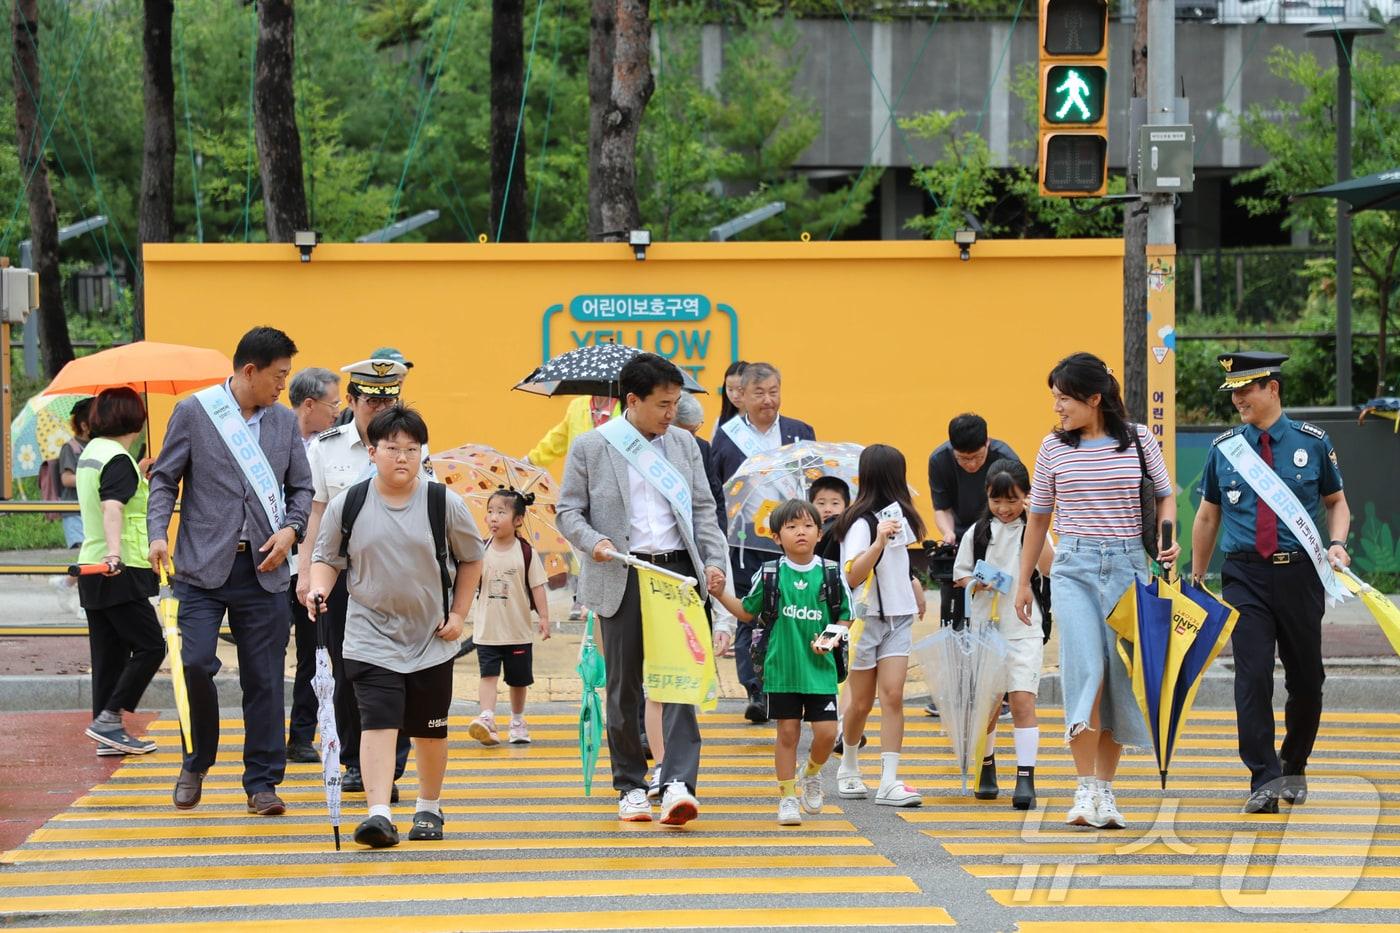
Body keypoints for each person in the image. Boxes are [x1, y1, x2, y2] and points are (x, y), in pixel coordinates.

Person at [147, 326, 313, 816]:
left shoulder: (284, 423)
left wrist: (291, 530)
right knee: (194, 663)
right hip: (200, 567)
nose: (283, 386)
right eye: (278, 376)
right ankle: (196, 760)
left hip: (264, 568)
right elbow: (164, 479)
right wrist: (158, 531)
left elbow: (301, 489)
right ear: (249, 371)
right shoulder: (195, 412)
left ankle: (262, 783)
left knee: (264, 678)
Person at [557, 352, 729, 826]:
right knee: (624, 687)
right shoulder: (593, 447)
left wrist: (713, 564)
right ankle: (630, 785)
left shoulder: (685, 446)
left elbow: (702, 511)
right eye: (663, 404)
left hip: (676, 573)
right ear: (632, 401)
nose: (672, 413)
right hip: (622, 572)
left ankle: (677, 782)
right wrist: (595, 543)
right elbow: (567, 511)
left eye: (675, 403)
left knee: (680, 679)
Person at [1014, 351, 1178, 831]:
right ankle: (1084, 786)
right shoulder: (1052, 448)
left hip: (1130, 565)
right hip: (1074, 567)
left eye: (1064, 399)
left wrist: (1169, 536)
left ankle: (1104, 792)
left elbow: (1164, 495)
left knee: (1118, 676)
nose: (1057, 408)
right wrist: (1025, 580)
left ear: (1095, 398)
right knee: (1086, 667)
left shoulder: (1140, 441)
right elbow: (1039, 517)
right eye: (1055, 399)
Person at [308, 406, 485, 848]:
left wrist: (459, 615)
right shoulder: (348, 503)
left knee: (429, 729)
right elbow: (327, 558)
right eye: (392, 448)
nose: (402, 457)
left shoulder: (443, 502)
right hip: (369, 634)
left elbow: (471, 559)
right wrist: (319, 590)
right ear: (372, 452)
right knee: (378, 722)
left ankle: (428, 805)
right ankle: (378, 813)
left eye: (411, 449)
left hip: (430, 637)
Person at [1190, 351, 1350, 815]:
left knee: (1307, 680)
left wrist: (1337, 543)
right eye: (1233, 392)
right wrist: (1198, 577)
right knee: (1252, 675)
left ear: (1272, 389)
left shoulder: (1312, 442)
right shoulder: (1225, 449)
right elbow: (1207, 515)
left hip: (1301, 572)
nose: (1238, 399)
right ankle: (1262, 777)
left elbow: (1337, 502)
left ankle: (1293, 763)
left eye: (1246, 389)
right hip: (1245, 575)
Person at [297, 358, 431, 797]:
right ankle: (354, 761)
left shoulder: (413, 448)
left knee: (400, 671)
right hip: (340, 577)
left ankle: (389, 768)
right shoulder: (326, 448)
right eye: (372, 399)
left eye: (389, 398)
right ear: (352, 401)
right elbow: (315, 514)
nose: (380, 407)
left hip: (395, 578)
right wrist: (307, 576)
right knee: (347, 672)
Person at [711, 499, 851, 825]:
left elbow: (845, 617)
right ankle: (787, 797)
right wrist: (720, 595)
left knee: (828, 734)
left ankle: (812, 773)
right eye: (791, 527)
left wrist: (830, 639)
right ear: (777, 537)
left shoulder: (831, 574)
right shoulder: (770, 574)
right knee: (787, 734)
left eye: (807, 526)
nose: (800, 532)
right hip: (781, 669)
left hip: (820, 671)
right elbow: (748, 611)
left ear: (819, 533)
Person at [710, 361, 817, 723]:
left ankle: (788, 682)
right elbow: (718, 489)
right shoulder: (727, 437)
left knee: (792, 613)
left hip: (790, 539)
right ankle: (755, 688)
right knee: (750, 616)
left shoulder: (800, 432)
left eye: (774, 392)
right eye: (760, 393)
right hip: (745, 543)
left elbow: (814, 479)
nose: (768, 400)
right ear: (742, 396)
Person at [831, 444, 928, 807]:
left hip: (898, 618)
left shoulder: (901, 517)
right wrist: (878, 541)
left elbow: (901, 566)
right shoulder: (860, 522)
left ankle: (889, 781)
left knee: (892, 695)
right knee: (859, 703)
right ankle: (849, 767)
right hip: (865, 620)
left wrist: (915, 589)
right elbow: (853, 575)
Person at [954, 459, 1053, 810]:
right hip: (985, 629)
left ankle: (1025, 777)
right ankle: (986, 764)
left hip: (1024, 627)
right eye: (998, 501)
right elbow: (960, 575)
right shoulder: (977, 533)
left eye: (1013, 500)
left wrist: (1036, 522)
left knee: (1023, 700)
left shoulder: (1035, 530)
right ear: (988, 497)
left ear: (1027, 497)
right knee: (989, 706)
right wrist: (974, 583)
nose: (1005, 509)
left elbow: (1048, 567)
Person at [77, 388, 165, 758]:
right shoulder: (117, 459)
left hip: (91, 566)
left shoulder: (93, 453)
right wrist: (115, 554)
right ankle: (110, 720)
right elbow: (113, 507)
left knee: (109, 654)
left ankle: (106, 731)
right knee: (151, 645)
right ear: (136, 418)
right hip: (119, 568)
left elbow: (108, 499)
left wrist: (139, 474)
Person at [285, 367, 342, 764]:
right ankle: (271, 736)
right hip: (272, 564)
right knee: (268, 658)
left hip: (312, 566)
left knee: (315, 652)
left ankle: (301, 736)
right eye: (332, 404)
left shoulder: (331, 447)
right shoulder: (270, 439)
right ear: (309, 405)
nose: (337, 411)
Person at [468, 488, 550, 747]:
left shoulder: (526, 553)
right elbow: (469, 583)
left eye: (501, 512)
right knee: (488, 676)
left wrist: (545, 619)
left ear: (517, 520)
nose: (493, 517)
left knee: (518, 681)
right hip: (487, 631)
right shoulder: (480, 550)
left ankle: (517, 720)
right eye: (490, 512)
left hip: (518, 632)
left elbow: (537, 587)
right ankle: (487, 717)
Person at [929, 413, 1020, 626]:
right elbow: (942, 508)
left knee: (1001, 597)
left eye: (978, 457)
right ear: (953, 449)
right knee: (957, 609)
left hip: (1000, 534)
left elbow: (1017, 503)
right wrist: (948, 533)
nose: (971, 464)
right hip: (962, 539)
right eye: (963, 458)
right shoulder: (939, 460)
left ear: (987, 443)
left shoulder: (1005, 458)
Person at [526, 395, 620, 468]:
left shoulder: (627, 408)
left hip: (613, 485)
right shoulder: (577, 406)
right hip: (578, 480)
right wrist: (530, 461)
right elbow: (560, 437)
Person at [332, 347, 413, 428]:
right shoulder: (347, 418)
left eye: (389, 400)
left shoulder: (408, 423)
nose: (400, 377)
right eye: (373, 401)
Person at [57, 398, 93, 548]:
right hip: (75, 512)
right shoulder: (70, 448)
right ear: (84, 425)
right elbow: (66, 479)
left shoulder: (96, 446)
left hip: (91, 510)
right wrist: (92, 476)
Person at [710, 359, 749, 439]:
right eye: (730, 389)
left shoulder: (765, 420)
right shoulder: (721, 421)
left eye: (740, 389)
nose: (735, 395)